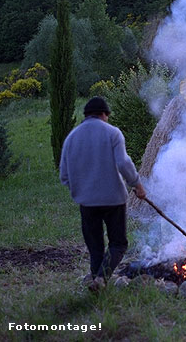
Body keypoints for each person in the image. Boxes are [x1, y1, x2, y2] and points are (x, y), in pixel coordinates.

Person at [60, 96, 146, 291]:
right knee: (118, 243)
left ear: (87, 115)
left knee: (95, 246)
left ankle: (96, 280)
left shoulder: (71, 137)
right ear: (104, 114)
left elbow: (64, 175)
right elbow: (123, 163)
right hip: (113, 199)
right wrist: (137, 184)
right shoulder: (113, 133)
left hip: (86, 202)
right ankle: (101, 278)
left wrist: (81, 188)